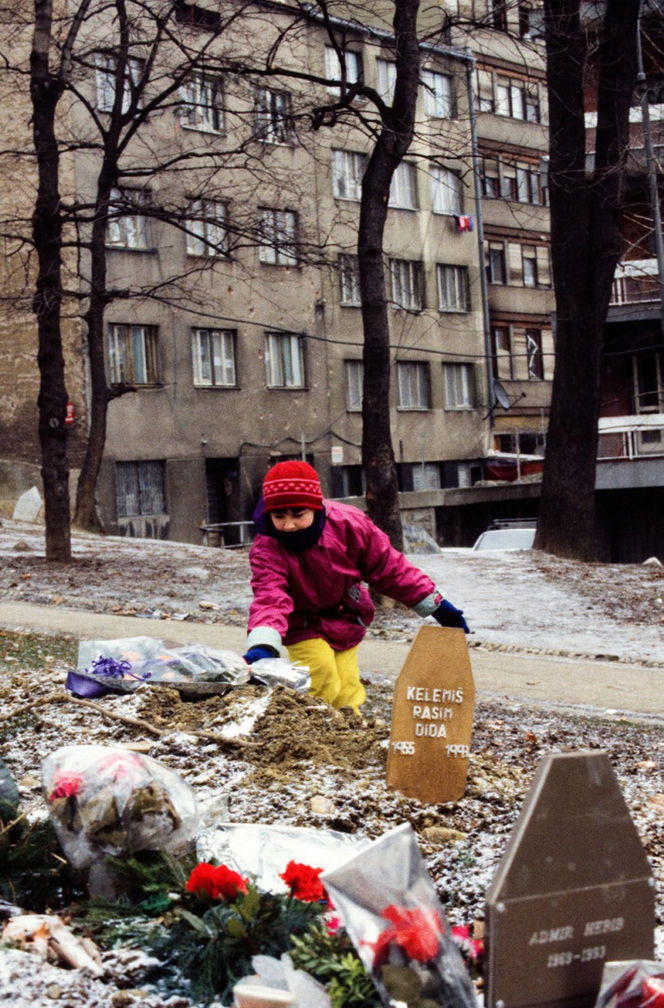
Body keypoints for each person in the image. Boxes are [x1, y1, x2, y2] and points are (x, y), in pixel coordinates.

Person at [243, 460, 469, 712]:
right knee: (322, 678)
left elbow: (389, 567)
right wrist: (263, 645)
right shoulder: (268, 547)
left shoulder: (349, 525)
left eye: (298, 515)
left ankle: (352, 733)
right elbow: (270, 597)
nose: (288, 525)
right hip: (302, 623)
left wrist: (436, 605)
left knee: (348, 686)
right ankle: (318, 732)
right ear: (268, 513)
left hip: (345, 616)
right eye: (279, 516)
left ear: (316, 507)